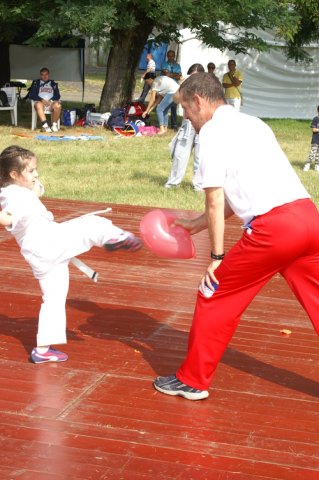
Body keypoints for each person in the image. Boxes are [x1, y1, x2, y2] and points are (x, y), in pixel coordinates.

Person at [153, 72, 319, 401]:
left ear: (198, 100)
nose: (188, 119)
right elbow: (240, 193)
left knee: (214, 294)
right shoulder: (253, 123)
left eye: (187, 111)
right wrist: (197, 224)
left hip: (275, 230)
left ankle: (193, 380)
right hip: (309, 220)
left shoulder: (213, 131)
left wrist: (216, 258)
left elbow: (215, 197)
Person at [0, 145, 143, 364]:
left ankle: (43, 349)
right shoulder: (17, 196)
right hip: (48, 242)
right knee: (92, 224)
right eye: (30, 171)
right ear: (13, 174)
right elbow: (8, 219)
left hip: (39, 256)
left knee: (54, 298)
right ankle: (114, 237)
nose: (36, 174)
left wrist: (34, 191)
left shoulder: (15, 192)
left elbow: (36, 192)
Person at [165, 63, 204, 190]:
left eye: (196, 76)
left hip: (203, 124)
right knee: (180, 154)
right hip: (188, 124)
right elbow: (176, 99)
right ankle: (173, 183)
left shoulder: (207, 86)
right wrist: (183, 86)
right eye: (192, 76)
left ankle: (199, 185)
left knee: (200, 156)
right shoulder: (186, 86)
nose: (194, 78)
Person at [29, 67, 62, 133]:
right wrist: (41, 100)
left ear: (48, 75)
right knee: (38, 105)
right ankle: (45, 125)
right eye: (42, 74)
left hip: (51, 104)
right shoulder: (36, 83)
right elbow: (31, 95)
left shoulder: (53, 83)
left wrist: (51, 101)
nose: (44, 76)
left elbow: (58, 95)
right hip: (40, 103)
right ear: (40, 75)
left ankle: (54, 125)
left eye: (46, 74)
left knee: (58, 105)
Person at [161, 50, 182, 130]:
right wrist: (175, 75)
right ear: (167, 56)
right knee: (164, 107)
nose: (170, 57)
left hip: (175, 88)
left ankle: (174, 124)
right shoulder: (164, 64)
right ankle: (163, 124)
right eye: (169, 56)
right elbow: (166, 74)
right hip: (166, 88)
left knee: (174, 106)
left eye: (172, 56)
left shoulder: (177, 65)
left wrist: (171, 75)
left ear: (174, 56)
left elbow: (179, 76)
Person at [303, 105, 319, 172]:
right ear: (318, 111)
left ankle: (317, 165)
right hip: (315, 140)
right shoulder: (315, 119)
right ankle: (307, 165)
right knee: (312, 153)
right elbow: (314, 130)